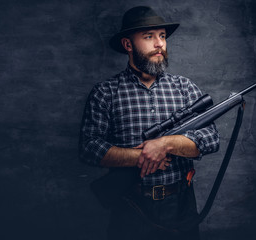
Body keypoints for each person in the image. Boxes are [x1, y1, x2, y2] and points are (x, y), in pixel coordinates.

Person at [79, 6, 219, 240]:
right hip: (131, 207)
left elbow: (211, 138)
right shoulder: (106, 92)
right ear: (127, 44)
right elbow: (89, 148)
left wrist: (165, 144)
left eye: (162, 36)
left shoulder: (185, 88)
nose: (159, 44)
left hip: (180, 205)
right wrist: (140, 156)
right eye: (148, 37)